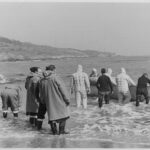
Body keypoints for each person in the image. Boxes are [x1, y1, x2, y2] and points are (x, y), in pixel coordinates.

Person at [37, 65, 70, 135]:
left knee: (52, 117)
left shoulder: (42, 80)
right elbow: (63, 90)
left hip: (49, 102)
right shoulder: (56, 78)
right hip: (59, 100)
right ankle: (61, 132)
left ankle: (54, 133)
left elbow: (41, 93)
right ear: (53, 70)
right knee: (63, 116)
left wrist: (43, 101)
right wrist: (67, 100)